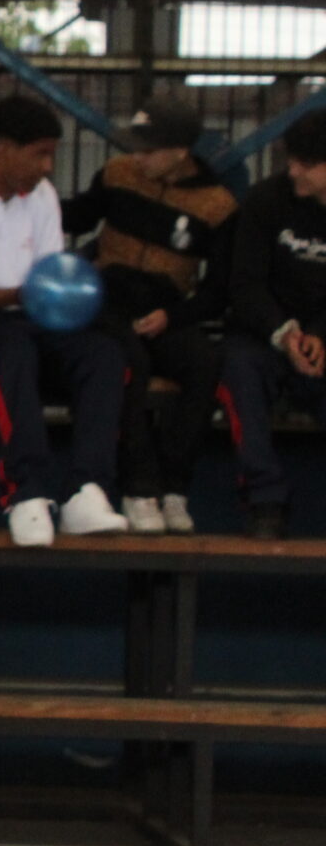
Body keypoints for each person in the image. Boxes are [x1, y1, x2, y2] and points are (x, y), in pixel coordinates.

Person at [0, 95, 129, 548]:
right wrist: (18, 296)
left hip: (27, 318)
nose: (48, 167)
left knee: (103, 354)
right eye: (40, 154)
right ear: (2, 149)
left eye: (51, 155)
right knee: (10, 349)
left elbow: (47, 279)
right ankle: (26, 493)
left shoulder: (42, 196)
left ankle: (87, 491)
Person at [61, 91, 236, 535]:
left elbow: (217, 291)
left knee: (205, 362)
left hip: (165, 312)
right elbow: (77, 217)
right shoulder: (117, 174)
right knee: (129, 363)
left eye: (149, 149)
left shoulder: (217, 205)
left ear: (180, 152)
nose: (138, 157)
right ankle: (139, 488)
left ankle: (174, 487)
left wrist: (172, 318)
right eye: (135, 147)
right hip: (107, 302)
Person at [218, 108, 326, 540]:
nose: (293, 170)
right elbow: (244, 284)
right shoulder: (266, 200)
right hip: (263, 335)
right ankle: (265, 499)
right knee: (239, 370)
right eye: (291, 160)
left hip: (319, 339)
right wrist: (285, 334)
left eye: (307, 163)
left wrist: (320, 337)